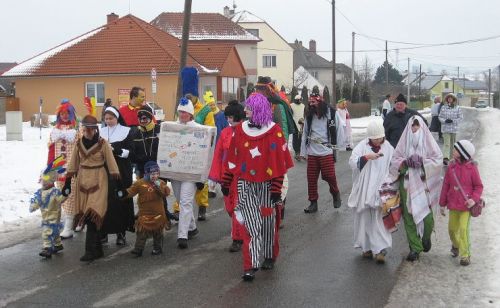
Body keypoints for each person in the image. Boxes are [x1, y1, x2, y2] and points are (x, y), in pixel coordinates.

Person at [221, 92, 293, 281]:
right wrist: (227, 182)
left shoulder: (274, 131)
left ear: (258, 110)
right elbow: (233, 158)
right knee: (251, 225)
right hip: (246, 185)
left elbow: (279, 164)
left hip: (268, 187)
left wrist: (277, 189)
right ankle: (250, 265)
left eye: (249, 108)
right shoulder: (241, 130)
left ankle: (269, 255)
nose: (245, 111)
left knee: (268, 224)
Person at [63, 115, 121, 262]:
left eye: (90, 128)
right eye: (85, 128)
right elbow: (73, 164)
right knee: (86, 215)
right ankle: (98, 250)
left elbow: (112, 164)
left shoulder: (103, 144)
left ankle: (89, 251)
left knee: (93, 214)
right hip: (82, 181)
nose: (87, 131)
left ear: (95, 129)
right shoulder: (78, 144)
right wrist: (67, 183)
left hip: (99, 180)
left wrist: (118, 185)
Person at [390, 116, 442, 262]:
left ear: (422, 127)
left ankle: (426, 238)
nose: (414, 129)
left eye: (417, 126)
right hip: (406, 183)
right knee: (409, 217)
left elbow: (438, 159)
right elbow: (394, 160)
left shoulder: (429, 141)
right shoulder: (403, 141)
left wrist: (423, 162)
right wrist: (405, 162)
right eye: (412, 126)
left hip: (424, 183)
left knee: (428, 218)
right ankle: (415, 248)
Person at [348, 121, 394, 264]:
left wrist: (389, 183)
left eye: (379, 137)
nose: (378, 140)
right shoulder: (362, 146)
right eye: (375, 138)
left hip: (380, 188)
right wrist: (367, 157)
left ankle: (380, 249)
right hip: (364, 188)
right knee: (363, 218)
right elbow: (352, 162)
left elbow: (393, 166)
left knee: (379, 218)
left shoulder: (388, 148)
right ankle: (366, 247)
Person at [208, 100, 246, 252]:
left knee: (238, 207)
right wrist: (217, 178)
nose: (229, 120)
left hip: (243, 177)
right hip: (227, 177)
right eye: (228, 117)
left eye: (231, 117)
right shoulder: (225, 133)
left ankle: (238, 238)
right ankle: (241, 230)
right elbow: (218, 155)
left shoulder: (248, 131)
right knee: (230, 208)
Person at [439, 140, 483, 266]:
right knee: (452, 230)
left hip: (465, 206)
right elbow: (446, 185)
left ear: (462, 153)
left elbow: (479, 186)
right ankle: (456, 245)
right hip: (453, 205)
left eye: (455, 149)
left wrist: (473, 199)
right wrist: (442, 204)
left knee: (463, 229)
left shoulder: (472, 168)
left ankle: (465, 255)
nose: (453, 151)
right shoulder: (451, 167)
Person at [99, 106, 135, 246]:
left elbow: (131, 152)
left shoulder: (126, 131)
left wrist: (117, 150)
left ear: (117, 117)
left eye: (111, 118)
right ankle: (104, 233)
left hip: (121, 170)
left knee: (120, 200)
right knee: (105, 200)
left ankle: (121, 233)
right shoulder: (101, 132)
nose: (108, 121)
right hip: (104, 170)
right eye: (106, 119)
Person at [171, 97, 204, 249]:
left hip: (191, 173)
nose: (182, 114)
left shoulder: (199, 129)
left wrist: (201, 176)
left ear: (191, 114)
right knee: (181, 200)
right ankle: (192, 227)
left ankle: (182, 235)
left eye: (185, 112)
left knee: (185, 201)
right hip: (176, 171)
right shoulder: (171, 128)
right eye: (180, 112)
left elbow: (204, 154)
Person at [118, 161, 170, 257]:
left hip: (158, 214)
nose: (155, 176)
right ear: (146, 173)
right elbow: (131, 191)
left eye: (156, 173)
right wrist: (123, 193)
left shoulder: (161, 182)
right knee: (141, 233)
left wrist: (158, 186)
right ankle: (138, 250)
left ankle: (157, 249)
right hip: (144, 214)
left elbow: (166, 193)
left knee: (158, 233)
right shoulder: (139, 183)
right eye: (152, 173)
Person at [301, 93, 342, 213]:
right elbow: (305, 133)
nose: (311, 105)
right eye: (310, 103)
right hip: (312, 151)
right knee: (311, 178)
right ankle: (313, 203)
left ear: (320, 103)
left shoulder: (332, 113)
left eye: (314, 103)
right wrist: (303, 152)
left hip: (326, 150)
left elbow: (339, 130)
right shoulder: (309, 116)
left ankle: (335, 193)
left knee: (329, 175)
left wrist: (336, 147)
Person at [47, 99, 78, 239]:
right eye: (62, 113)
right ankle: (69, 223)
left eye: (67, 113)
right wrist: (49, 170)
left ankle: (69, 226)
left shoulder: (77, 130)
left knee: (71, 196)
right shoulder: (54, 131)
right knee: (61, 196)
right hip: (59, 170)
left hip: (73, 169)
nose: (64, 116)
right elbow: (51, 151)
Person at [29, 156, 67, 258]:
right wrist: (33, 206)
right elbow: (38, 201)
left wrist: (65, 194)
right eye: (42, 181)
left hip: (54, 216)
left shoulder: (55, 191)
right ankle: (58, 245)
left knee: (47, 232)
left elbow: (60, 200)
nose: (44, 183)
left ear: (52, 181)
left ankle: (47, 248)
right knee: (54, 232)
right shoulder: (41, 192)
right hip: (45, 216)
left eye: (46, 181)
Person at [205, 91, 229, 199]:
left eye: (213, 104)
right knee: (211, 167)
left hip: (220, 145)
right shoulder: (206, 115)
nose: (212, 106)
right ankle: (211, 188)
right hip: (210, 145)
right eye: (210, 105)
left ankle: (224, 184)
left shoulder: (221, 115)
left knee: (221, 166)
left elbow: (226, 129)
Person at [438, 93, 463, 165]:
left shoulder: (458, 108)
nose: (449, 99)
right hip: (445, 129)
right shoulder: (443, 107)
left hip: (454, 129)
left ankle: (452, 158)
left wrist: (453, 121)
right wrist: (445, 120)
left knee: (453, 144)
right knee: (446, 143)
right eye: (448, 98)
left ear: (454, 99)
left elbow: (460, 117)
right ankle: (446, 158)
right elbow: (440, 117)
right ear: (446, 99)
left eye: (451, 98)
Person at [290, 94, 305, 161]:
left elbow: (304, 114)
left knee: (302, 139)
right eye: (299, 100)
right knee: (296, 138)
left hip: (302, 123)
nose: (300, 101)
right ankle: (297, 153)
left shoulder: (303, 106)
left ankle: (302, 153)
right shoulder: (291, 105)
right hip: (294, 123)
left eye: (301, 100)